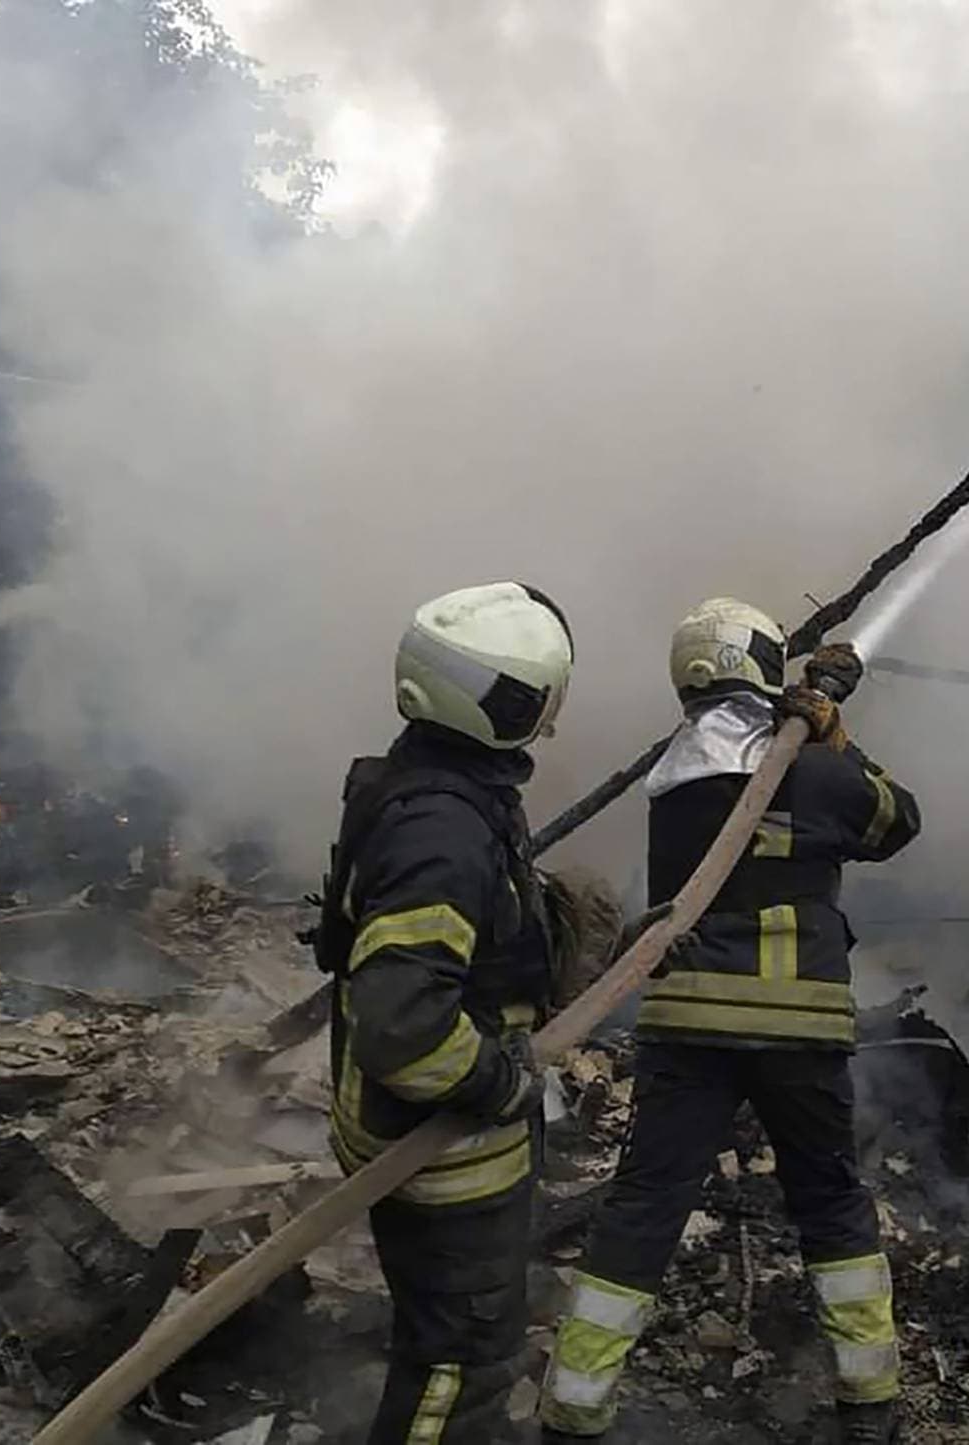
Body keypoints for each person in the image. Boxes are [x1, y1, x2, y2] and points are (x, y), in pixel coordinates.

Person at [538, 598, 921, 1445]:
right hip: (800, 1026)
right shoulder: (813, 770)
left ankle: (574, 1402)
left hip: (687, 1024)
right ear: (762, 662)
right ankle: (869, 1399)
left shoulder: (674, 776)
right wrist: (837, 739)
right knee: (830, 1200)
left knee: (644, 1205)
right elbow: (897, 819)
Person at [312, 581, 574, 1444]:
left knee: (440, 1343)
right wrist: (502, 1082)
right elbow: (403, 1024)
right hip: (446, 1156)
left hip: (407, 1135)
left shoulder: (426, 785)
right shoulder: (444, 834)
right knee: (463, 1367)